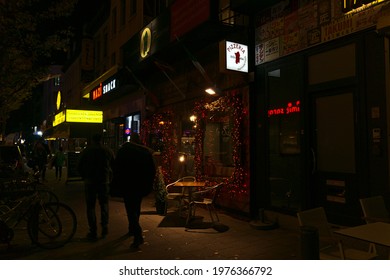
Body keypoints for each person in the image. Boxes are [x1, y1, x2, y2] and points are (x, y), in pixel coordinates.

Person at [112, 132, 156, 248]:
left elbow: (116, 168)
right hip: (140, 184)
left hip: (127, 184)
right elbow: (151, 170)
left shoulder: (123, 151)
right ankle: (133, 227)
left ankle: (137, 233)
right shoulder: (145, 152)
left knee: (130, 209)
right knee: (136, 207)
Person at [78, 134, 115, 241]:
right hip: (104, 181)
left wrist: (84, 176)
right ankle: (104, 226)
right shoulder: (107, 151)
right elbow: (114, 165)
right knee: (104, 204)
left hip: (90, 182)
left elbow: (79, 166)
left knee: (90, 207)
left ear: (92, 140)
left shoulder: (87, 151)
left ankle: (93, 230)